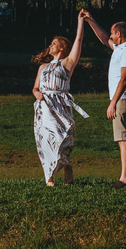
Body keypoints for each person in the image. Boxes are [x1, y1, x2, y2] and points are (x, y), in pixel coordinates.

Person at [32, 11, 89, 186]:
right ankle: (48, 177)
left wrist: (80, 21)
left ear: (63, 48)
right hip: (44, 106)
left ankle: (67, 168)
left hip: (61, 105)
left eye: (54, 43)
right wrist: (36, 93)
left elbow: (79, 40)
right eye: (51, 43)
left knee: (63, 138)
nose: (51, 45)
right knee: (46, 140)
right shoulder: (43, 67)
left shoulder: (67, 63)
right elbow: (35, 87)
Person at [81, 9, 126, 188]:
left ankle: (124, 178)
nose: (111, 36)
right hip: (122, 98)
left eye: (113, 33)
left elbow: (124, 79)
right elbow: (104, 38)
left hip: (122, 98)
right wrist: (90, 20)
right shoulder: (120, 48)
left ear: (119, 34)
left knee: (123, 138)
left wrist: (113, 103)